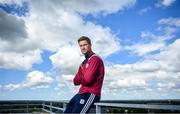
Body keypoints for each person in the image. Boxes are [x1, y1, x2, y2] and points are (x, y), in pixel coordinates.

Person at [64, 36, 105, 113]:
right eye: (81, 46)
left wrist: (82, 77)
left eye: (85, 45)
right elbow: (75, 81)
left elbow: (87, 80)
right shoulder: (83, 63)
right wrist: (85, 75)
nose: (83, 47)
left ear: (90, 45)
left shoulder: (95, 59)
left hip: (90, 94)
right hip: (80, 93)